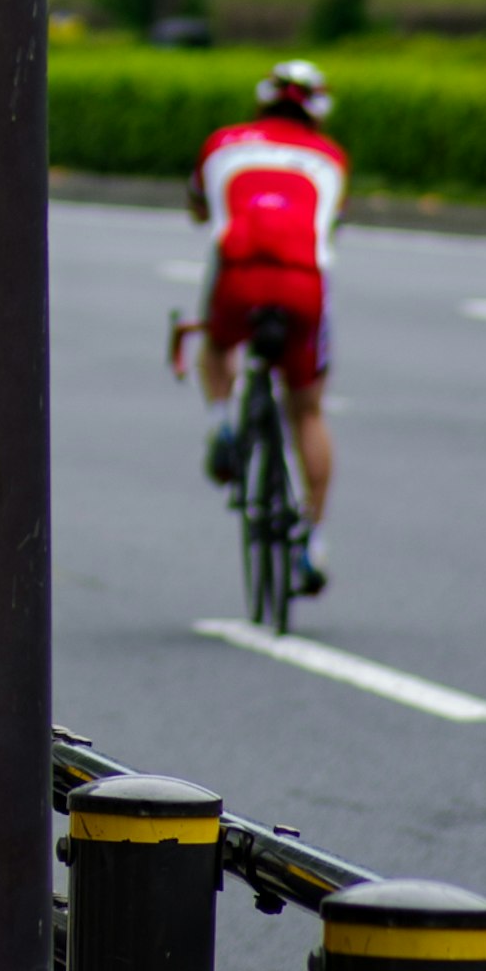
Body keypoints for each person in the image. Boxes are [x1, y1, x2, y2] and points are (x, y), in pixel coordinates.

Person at [173, 57, 345, 594]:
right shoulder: (332, 158)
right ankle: (312, 543)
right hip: (303, 282)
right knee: (308, 406)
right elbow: (330, 225)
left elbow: (199, 209)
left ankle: (223, 422)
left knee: (218, 340)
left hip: (240, 274)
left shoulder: (222, 143)